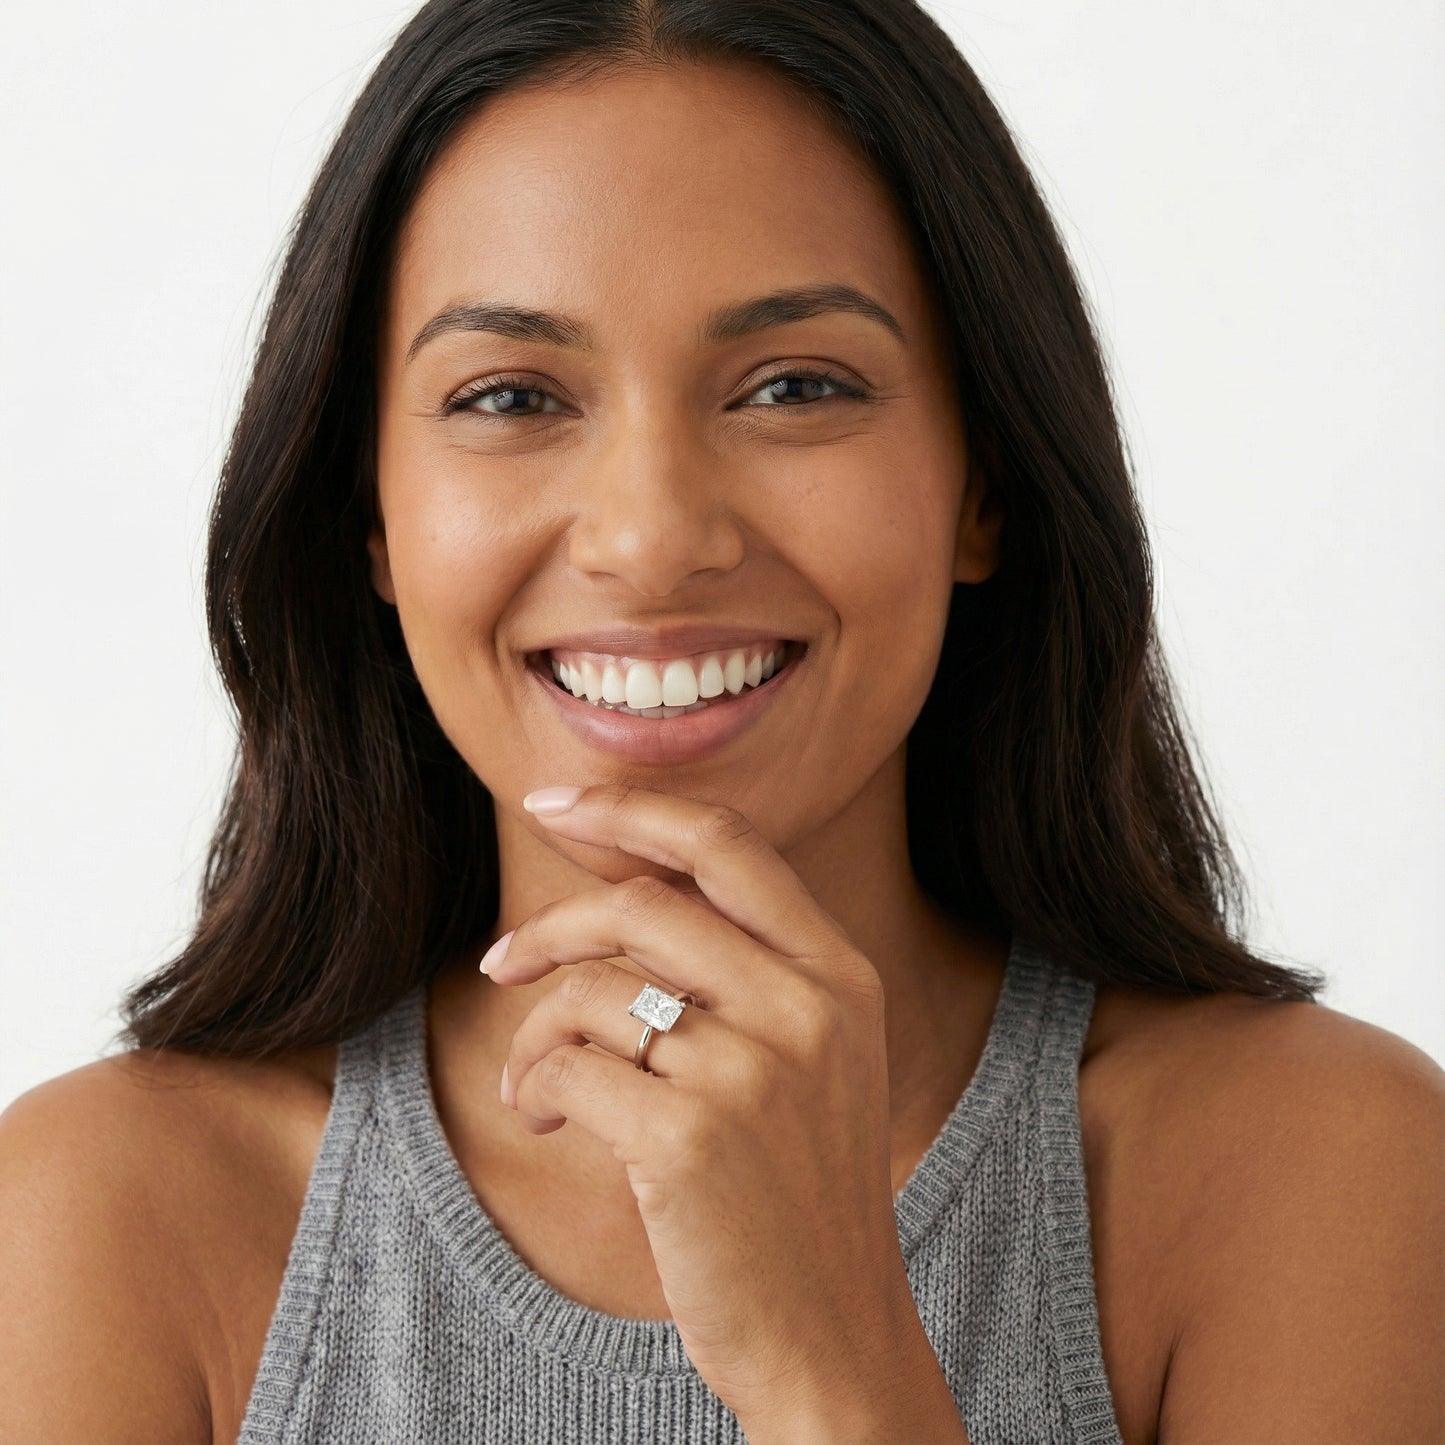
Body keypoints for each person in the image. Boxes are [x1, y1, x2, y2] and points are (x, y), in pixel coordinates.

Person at [2, 2, 1442, 1442]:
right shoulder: (97, 1215)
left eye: (794, 387)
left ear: (982, 484)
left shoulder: (1318, 1163)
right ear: (367, 515)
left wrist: (836, 1363)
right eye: (509, 396)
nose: (650, 540)